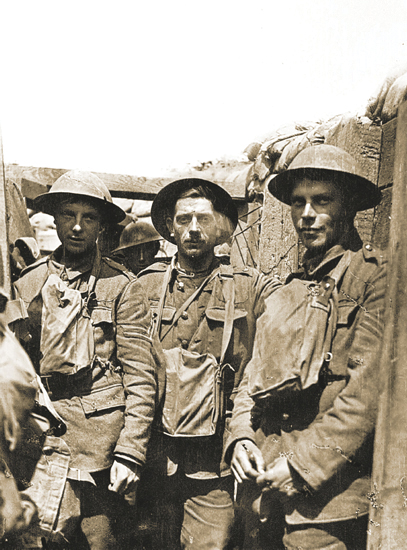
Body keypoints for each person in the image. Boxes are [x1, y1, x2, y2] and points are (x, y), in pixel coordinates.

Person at [227, 145, 387, 550]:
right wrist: (241, 437)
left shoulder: (374, 279)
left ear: (348, 205)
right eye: (298, 203)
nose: (307, 214)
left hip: (325, 503)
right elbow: (251, 377)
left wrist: (300, 468)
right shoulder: (289, 287)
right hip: (262, 487)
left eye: (322, 201)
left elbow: (364, 395)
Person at [12, 170, 158, 549]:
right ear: (55, 218)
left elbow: (141, 378)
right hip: (39, 440)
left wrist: (130, 453)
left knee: (99, 540)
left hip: (100, 445)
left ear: (101, 225)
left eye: (88, 218)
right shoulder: (28, 284)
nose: (77, 227)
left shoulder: (121, 286)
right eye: (68, 215)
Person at [136, 177, 280, 550]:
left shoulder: (250, 287)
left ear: (221, 226)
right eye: (184, 220)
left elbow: (274, 346)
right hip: (155, 458)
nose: (193, 229)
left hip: (212, 462)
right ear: (170, 226)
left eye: (203, 219)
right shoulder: (146, 285)